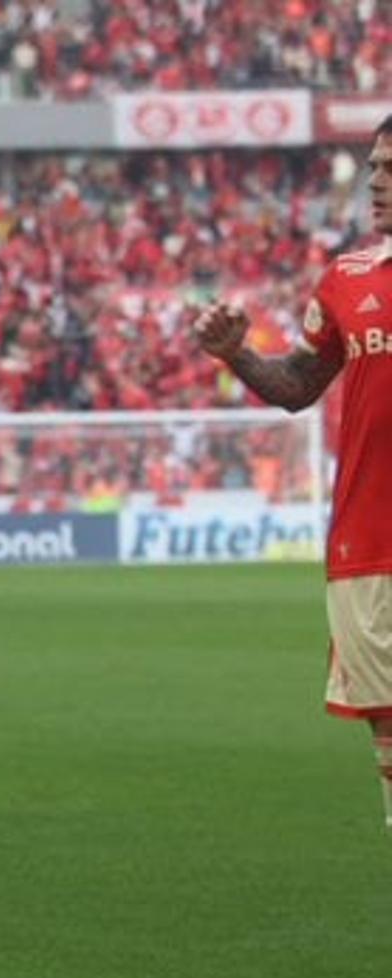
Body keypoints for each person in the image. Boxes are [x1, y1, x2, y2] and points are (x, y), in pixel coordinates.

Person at [194, 115, 392, 830]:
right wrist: (238, 356)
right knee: (389, 733)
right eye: (373, 166)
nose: (375, 181)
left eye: (390, 168)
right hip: (369, 544)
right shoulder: (346, 280)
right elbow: (300, 384)